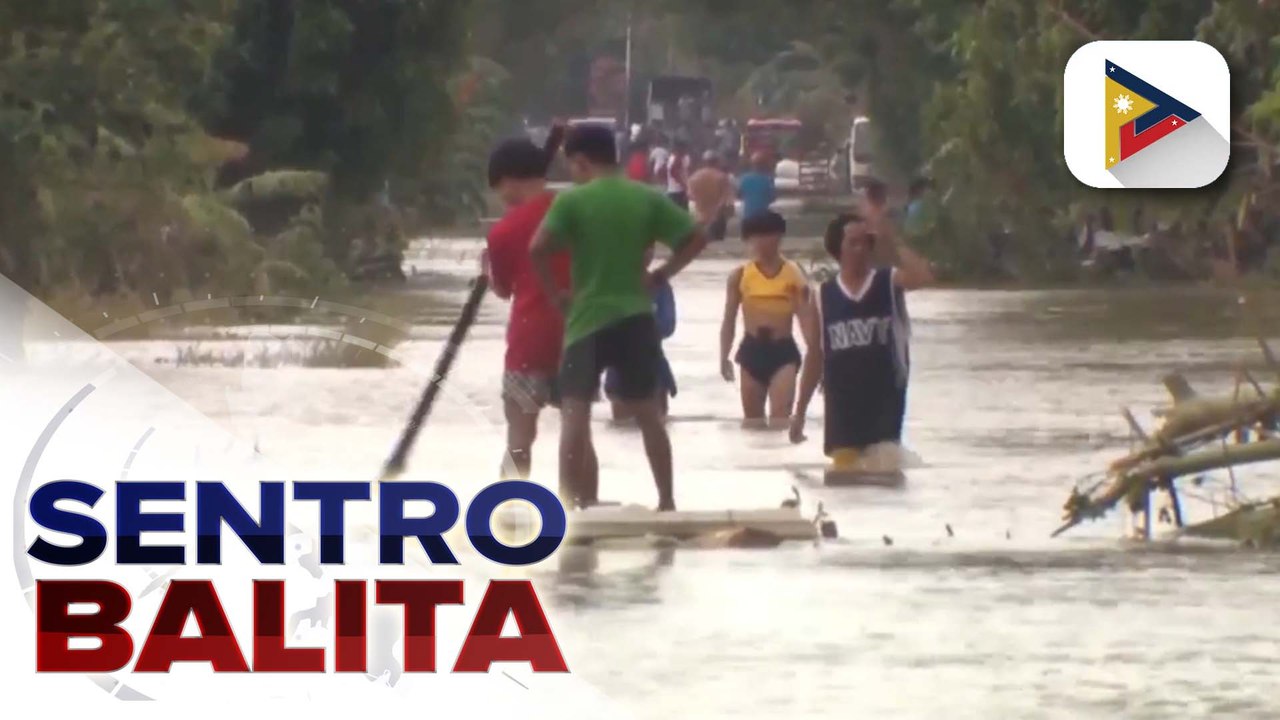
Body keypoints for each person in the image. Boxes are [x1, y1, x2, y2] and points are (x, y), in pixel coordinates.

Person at [530, 125, 708, 512]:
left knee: (575, 417)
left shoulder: (572, 202)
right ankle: (666, 502)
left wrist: (556, 296)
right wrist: (661, 275)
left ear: (580, 161)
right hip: (635, 318)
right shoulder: (645, 197)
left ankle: (566, 505)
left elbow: (538, 248)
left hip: (586, 319)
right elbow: (696, 238)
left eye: (571, 166)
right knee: (648, 414)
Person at [482, 132, 599, 488]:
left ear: (506, 181)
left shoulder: (503, 232)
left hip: (527, 344)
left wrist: (487, 269)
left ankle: (507, 511)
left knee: (519, 440)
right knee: (579, 436)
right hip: (577, 337)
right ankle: (583, 510)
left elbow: (503, 290)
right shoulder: (579, 215)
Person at [789, 210, 934, 469]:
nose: (860, 249)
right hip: (842, 407)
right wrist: (799, 413)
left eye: (865, 242)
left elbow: (923, 276)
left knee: (885, 475)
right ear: (837, 249)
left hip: (885, 403)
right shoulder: (823, 295)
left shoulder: (887, 281)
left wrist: (892, 239)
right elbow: (815, 356)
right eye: (852, 243)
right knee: (845, 481)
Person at [720, 211, 809, 426]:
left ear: (779, 236)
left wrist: (818, 355)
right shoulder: (739, 275)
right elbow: (729, 320)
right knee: (753, 423)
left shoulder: (795, 274)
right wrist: (724, 357)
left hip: (783, 351)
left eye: (767, 235)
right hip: (751, 350)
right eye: (755, 236)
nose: (761, 241)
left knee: (780, 420)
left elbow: (806, 319)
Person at [606, 245, 678, 423]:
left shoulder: (661, 286)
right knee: (621, 430)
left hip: (653, 363)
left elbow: (668, 325)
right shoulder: (609, 285)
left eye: (646, 248)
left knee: (657, 426)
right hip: (618, 366)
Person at [687, 152, 734, 241]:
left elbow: (690, 195)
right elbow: (726, 198)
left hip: (700, 218)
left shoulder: (695, 176)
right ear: (716, 162)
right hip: (717, 219)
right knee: (718, 245)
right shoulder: (722, 177)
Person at [736, 152, 777, 223]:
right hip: (763, 215)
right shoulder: (768, 179)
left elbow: (738, 195)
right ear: (765, 165)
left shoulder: (744, 178)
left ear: (752, 165)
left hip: (748, 215)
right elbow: (772, 198)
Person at [665, 140, 692, 210]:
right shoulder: (674, 158)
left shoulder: (685, 158)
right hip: (676, 191)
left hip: (682, 191)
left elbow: (687, 172)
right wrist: (685, 186)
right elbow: (673, 173)